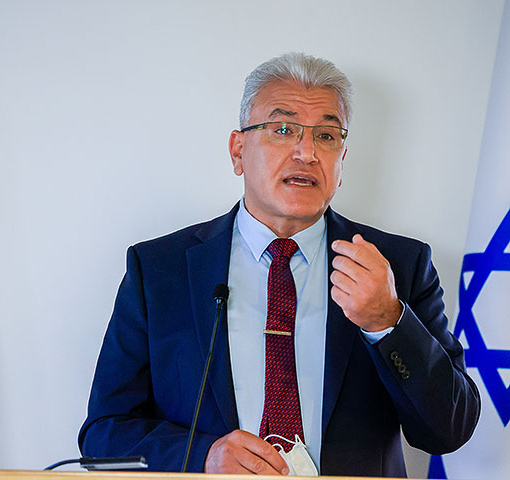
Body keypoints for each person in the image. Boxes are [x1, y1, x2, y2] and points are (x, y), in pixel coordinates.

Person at [78, 52, 480, 477]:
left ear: (342, 159)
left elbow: (449, 431)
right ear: (238, 151)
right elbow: (104, 433)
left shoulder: (397, 265)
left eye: (327, 135)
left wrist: (387, 322)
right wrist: (203, 457)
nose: (307, 152)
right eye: (284, 129)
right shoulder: (161, 269)